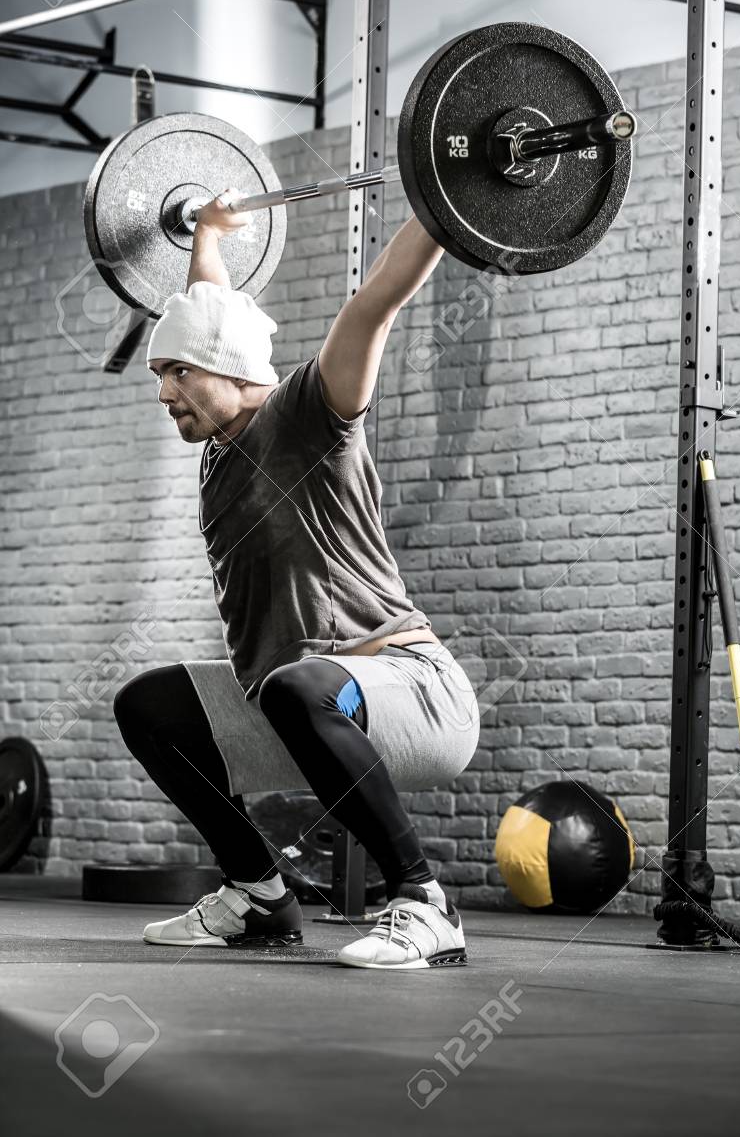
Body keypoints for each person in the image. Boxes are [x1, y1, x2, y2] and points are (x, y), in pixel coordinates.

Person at [113, 188, 480, 970]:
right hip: (294, 701)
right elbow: (209, 307)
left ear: (226, 367)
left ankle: (424, 901)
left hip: (408, 686)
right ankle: (259, 896)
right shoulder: (217, 453)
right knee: (150, 705)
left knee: (295, 686)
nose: (162, 392)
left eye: (176, 372)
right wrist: (208, 234)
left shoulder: (311, 413)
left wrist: (447, 194)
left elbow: (378, 299)